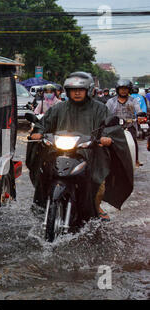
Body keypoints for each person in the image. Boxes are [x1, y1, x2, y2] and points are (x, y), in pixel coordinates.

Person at [27, 71, 133, 222]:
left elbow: (109, 125)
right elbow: (43, 123)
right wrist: (37, 132)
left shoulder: (99, 108)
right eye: (73, 90)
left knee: (98, 180)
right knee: (44, 170)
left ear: (88, 90)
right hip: (60, 151)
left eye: (80, 90)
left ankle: (95, 207)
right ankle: (42, 205)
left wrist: (107, 137)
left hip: (90, 152)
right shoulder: (58, 108)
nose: (76, 93)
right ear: (67, 91)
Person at [106, 80, 143, 167]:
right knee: (108, 143)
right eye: (121, 89)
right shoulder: (111, 101)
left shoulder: (133, 101)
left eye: (125, 89)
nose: (123, 91)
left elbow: (138, 110)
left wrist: (140, 116)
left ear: (129, 90)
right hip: (114, 127)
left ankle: (136, 159)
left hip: (129, 126)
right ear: (117, 90)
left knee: (133, 141)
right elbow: (105, 111)